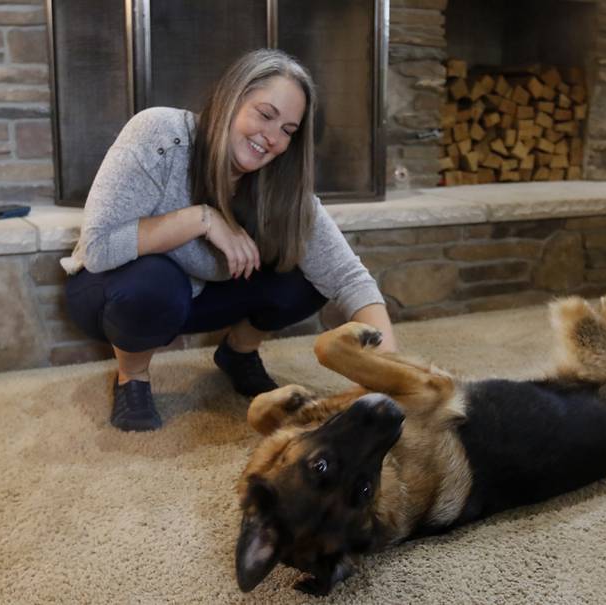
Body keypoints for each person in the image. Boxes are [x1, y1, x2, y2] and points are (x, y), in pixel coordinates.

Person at [61, 48, 396, 432]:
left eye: (287, 130)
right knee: (154, 281)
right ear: (231, 98)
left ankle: (239, 354)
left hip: (198, 298)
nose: (271, 138)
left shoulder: (281, 183)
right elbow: (99, 248)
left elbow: (348, 277)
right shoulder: (160, 134)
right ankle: (132, 377)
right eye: (265, 114)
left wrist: (391, 381)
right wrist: (201, 219)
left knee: (306, 275)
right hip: (108, 291)